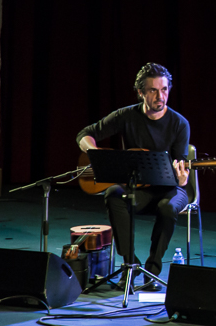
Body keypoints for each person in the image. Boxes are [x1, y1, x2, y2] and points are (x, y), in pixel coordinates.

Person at [76, 62, 190, 292]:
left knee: (168, 208)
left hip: (170, 189)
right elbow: (85, 134)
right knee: (113, 193)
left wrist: (182, 178)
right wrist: (95, 155)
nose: (161, 96)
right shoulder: (126, 116)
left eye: (165, 89)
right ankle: (131, 263)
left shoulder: (179, 123)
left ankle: (153, 271)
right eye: (153, 90)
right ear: (140, 92)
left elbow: (181, 168)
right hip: (139, 188)